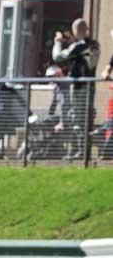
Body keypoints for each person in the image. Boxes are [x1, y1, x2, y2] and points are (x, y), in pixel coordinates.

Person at [52, 18, 100, 159]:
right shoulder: (95, 44)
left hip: (79, 86)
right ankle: (85, 151)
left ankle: (81, 152)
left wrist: (58, 43)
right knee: (86, 118)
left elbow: (58, 57)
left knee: (77, 118)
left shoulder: (79, 46)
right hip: (90, 85)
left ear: (74, 31)